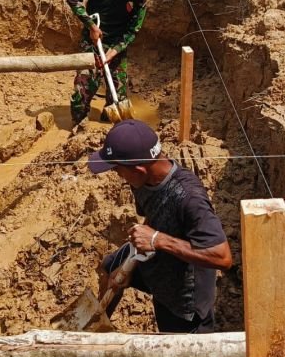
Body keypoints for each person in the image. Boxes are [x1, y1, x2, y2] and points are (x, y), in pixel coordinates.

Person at [89, 120, 233, 333]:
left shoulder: (189, 198)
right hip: (161, 264)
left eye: (118, 170)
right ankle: (96, 329)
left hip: (185, 294)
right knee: (112, 267)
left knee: (179, 350)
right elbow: (154, 214)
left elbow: (222, 257)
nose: (117, 176)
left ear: (138, 170)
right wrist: (129, 265)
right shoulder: (143, 179)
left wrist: (157, 240)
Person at [66, 0, 154, 125]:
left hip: (116, 45)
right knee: (83, 89)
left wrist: (113, 52)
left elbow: (131, 32)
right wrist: (91, 26)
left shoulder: (140, 0)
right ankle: (79, 124)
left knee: (118, 97)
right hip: (91, 42)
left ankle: (109, 127)